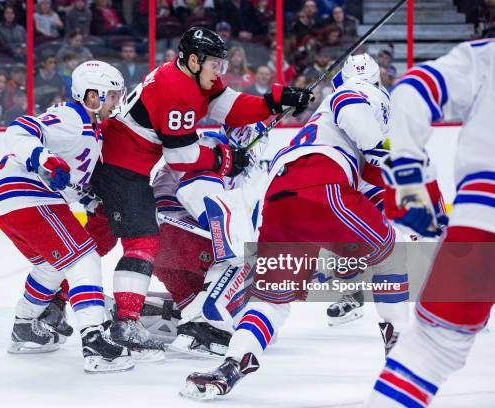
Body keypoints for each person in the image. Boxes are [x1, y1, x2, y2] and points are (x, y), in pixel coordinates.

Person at [180, 54, 415, 399]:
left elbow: (370, 188)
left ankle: (232, 365)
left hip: (280, 201)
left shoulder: (322, 122)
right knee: (394, 255)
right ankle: (401, 358)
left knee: (272, 300)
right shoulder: (363, 95)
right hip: (322, 188)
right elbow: (355, 115)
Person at [86, 26, 312, 361]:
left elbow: (232, 106)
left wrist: (274, 100)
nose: (220, 72)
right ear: (194, 60)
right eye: (215, 66)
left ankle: (60, 302)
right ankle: (133, 320)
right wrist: (224, 162)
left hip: (138, 188)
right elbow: (183, 161)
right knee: (143, 244)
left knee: (90, 246)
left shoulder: (194, 80)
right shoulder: (175, 90)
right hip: (125, 175)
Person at [365, 38, 495, 407]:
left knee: (432, 349)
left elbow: (411, 91)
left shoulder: (486, 56)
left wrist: (407, 171)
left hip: (484, 216)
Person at [0, 60, 133, 373]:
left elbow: (67, 181)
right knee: (83, 258)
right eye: (113, 95)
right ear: (92, 97)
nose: (117, 102)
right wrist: (42, 157)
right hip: (25, 192)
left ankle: (25, 326)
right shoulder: (71, 116)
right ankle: (94, 340)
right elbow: (18, 130)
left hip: (8, 201)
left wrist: (88, 200)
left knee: (52, 267)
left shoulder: (92, 130)